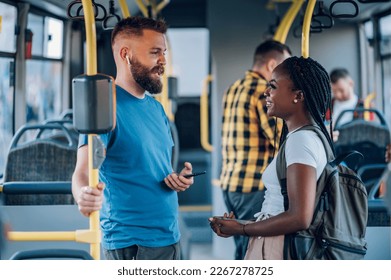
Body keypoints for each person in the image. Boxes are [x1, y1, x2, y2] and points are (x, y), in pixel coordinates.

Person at [72, 16, 194, 260]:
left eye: (164, 53)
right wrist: (83, 195)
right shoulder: (106, 108)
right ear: (126, 54)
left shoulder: (155, 108)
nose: (163, 61)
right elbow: (83, 171)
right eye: (155, 52)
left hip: (168, 235)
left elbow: (153, 167)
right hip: (132, 243)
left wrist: (176, 179)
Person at [210, 56, 333, 260]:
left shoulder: (301, 140)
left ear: (298, 96)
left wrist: (242, 229)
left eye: (273, 86)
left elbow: (299, 217)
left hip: (280, 247)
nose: (266, 92)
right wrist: (240, 225)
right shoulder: (302, 136)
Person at [219, 40, 291, 260]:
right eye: (285, 68)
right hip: (253, 186)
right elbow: (280, 137)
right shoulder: (263, 91)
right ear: (271, 65)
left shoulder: (233, 88)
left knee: (242, 248)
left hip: (231, 184)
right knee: (252, 250)